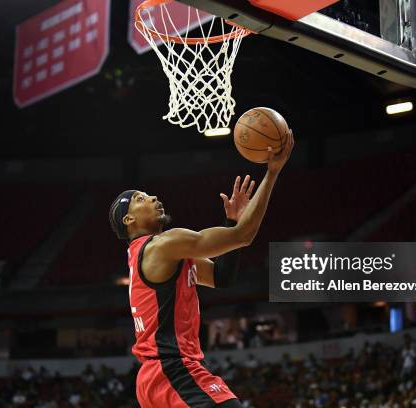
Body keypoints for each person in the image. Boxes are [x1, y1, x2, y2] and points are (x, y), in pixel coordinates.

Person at [109, 130, 294, 407]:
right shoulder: (164, 244)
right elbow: (244, 236)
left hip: (155, 378)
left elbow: (221, 277)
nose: (153, 197)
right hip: (174, 371)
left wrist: (232, 223)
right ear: (129, 219)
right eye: (140, 198)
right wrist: (272, 173)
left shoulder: (154, 254)